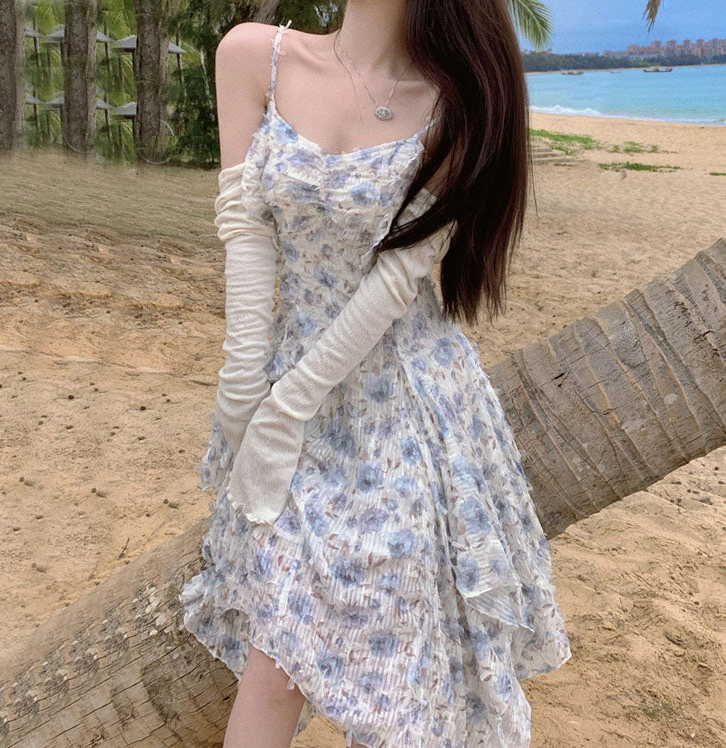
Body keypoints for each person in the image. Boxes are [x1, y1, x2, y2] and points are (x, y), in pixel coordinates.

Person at [178, 1, 572, 747]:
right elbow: (245, 223)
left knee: (400, 677)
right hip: (282, 389)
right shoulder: (254, 57)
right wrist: (242, 387)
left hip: (405, 411)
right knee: (276, 660)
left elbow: (397, 281)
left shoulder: (456, 100)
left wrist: (286, 409)